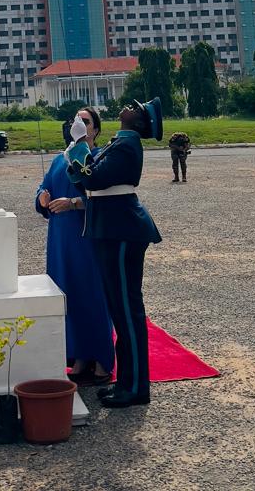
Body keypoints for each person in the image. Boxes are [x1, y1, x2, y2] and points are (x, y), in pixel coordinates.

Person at [65, 97, 162, 409]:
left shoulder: (127, 144)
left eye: (136, 108)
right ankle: (127, 383)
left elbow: (94, 176)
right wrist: (78, 152)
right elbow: (85, 180)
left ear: (139, 122)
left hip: (121, 231)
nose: (129, 107)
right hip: (110, 229)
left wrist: (80, 145)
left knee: (127, 311)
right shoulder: (118, 143)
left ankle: (135, 388)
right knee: (121, 311)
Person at [35, 106, 114, 386]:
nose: (79, 124)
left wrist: (74, 203)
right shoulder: (60, 158)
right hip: (60, 239)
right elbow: (44, 187)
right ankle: (79, 356)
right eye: (75, 120)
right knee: (67, 296)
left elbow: (106, 198)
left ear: (95, 129)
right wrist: (42, 198)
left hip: (87, 237)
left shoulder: (100, 158)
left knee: (92, 295)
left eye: (85, 121)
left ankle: (102, 357)